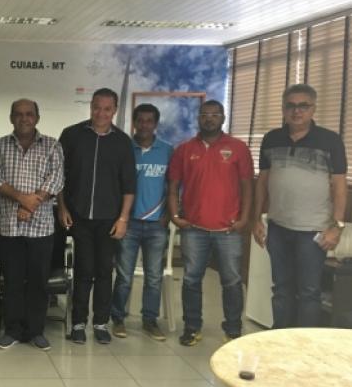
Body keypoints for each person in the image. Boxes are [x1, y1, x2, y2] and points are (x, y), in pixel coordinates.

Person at [253, 84, 347, 328]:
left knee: (309, 292)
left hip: (313, 231)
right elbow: (262, 181)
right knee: (281, 289)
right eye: (291, 106)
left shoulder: (330, 140)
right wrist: (257, 219)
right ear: (283, 109)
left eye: (303, 106)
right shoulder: (271, 139)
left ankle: (304, 344)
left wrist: (337, 227)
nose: (297, 111)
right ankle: (280, 338)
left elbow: (339, 186)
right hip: (278, 227)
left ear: (313, 108)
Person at [168, 100, 253, 346]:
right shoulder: (184, 149)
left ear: (223, 117)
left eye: (215, 114)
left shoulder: (238, 148)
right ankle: (192, 328)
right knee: (191, 280)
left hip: (229, 230)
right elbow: (173, 186)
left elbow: (248, 186)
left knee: (232, 281)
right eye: (205, 114)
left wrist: (245, 218)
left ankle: (233, 330)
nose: (209, 118)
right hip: (194, 229)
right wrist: (174, 215)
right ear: (198, 118)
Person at [58, 88, 136, 344]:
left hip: (109, 219)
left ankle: (101, 323)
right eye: (96, 107)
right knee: (83, 270)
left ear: (114, 110)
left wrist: (123, 219)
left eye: (106, 109)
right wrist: (62, 207)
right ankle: (78, 322)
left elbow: (129, 185)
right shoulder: (72, 135)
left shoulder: (122, 142)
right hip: (78, 216)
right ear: (90, 106)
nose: (100, 113)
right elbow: (58, 177)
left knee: (104, 271)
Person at [0, 99, 64, 350]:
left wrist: (32, 204)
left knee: (38, 282)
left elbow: (56, 180)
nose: (24, 118)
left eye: (29, 114)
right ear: (11, 118)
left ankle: (36, 331)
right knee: (12, 282)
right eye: (18, 114)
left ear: (37, 118)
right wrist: (23, 199)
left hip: (41, 228)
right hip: (9, 227)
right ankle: (12, 330)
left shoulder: (52, 146)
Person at [110, 103, 174, 341]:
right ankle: (118, 318)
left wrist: (169, 214)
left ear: (155, 124)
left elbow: (174, 186)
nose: (144, 125)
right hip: (129, 223)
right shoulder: (124, 148)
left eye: (149, 121)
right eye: (140, 120)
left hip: (157, 225)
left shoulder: (167, 151)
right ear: (134, 122)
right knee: (124, 276)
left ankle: (150, 320)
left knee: (154, 277)